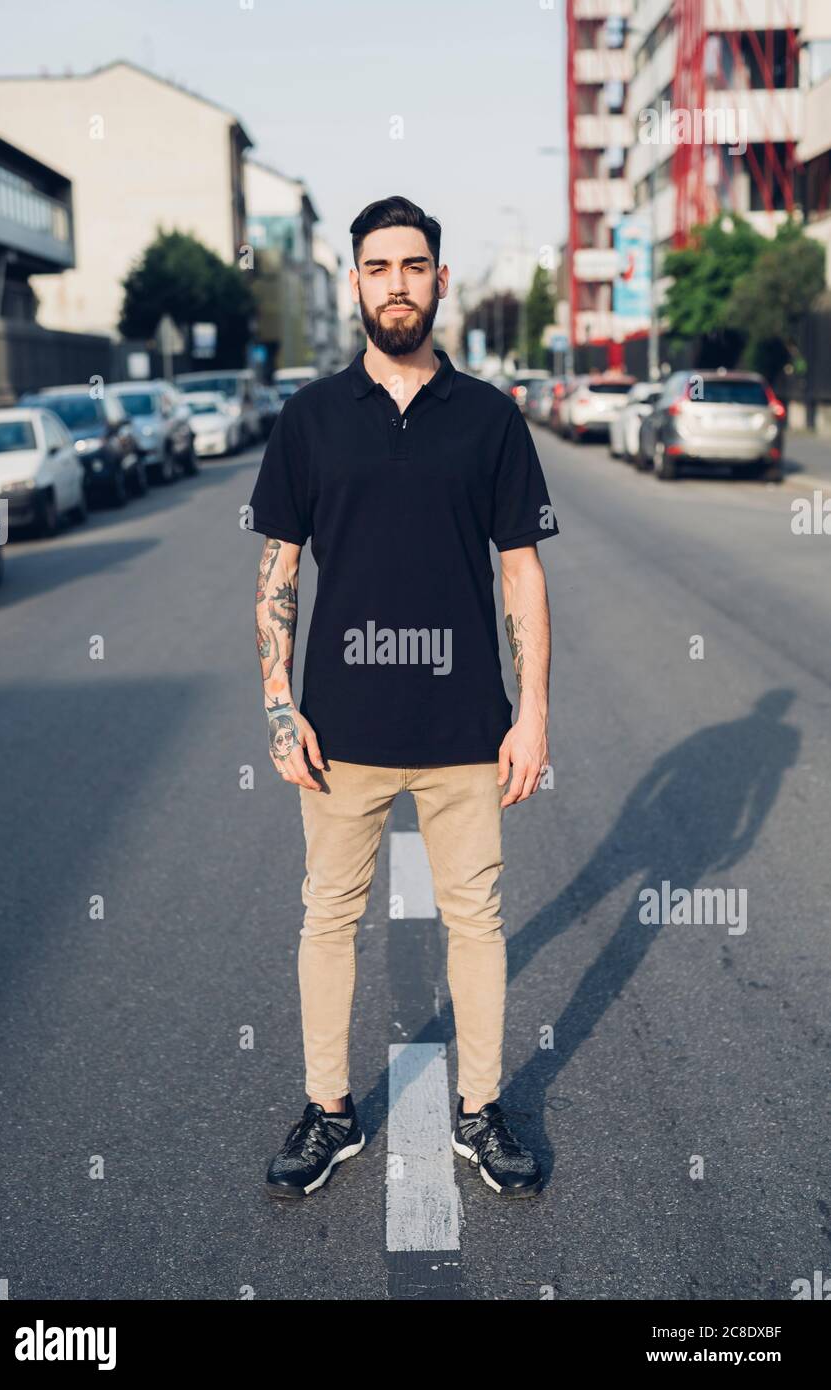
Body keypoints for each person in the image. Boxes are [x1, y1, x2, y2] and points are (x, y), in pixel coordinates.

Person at [249, 195, 558, 1200]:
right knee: (326, 917)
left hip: (465, 725)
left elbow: (520, 571)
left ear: (438, 279)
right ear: (353, 282)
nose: (396, 284)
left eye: (413, 265)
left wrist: (533, 710)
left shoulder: (489, 418)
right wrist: (276, 704)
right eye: (377, 266)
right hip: (339, 730)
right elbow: (277, 571)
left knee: (476, 919)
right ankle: (328, 1111)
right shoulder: (307, 420)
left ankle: (479, 1110)